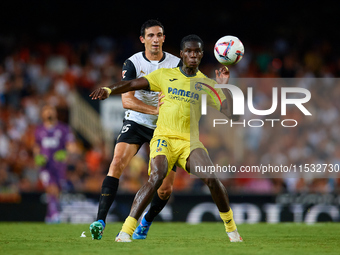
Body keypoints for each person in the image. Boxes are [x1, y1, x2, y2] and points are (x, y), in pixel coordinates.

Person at [90, 34, 243, 242]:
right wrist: (109, 89)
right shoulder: (164, 75)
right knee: (157, 176)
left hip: (189, 142)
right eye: (188, 51)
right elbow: (133, 84)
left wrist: (224, 85)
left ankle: (232, 230)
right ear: (182, 54)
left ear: (201, 55)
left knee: (212, 179)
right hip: (163, 138)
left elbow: (234, 114)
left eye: (197, 51)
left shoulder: (207, 84)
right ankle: (126, 231)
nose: (193, 55)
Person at [89, 20, 181, 240]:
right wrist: (155, 109)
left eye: (159, 35)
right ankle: (100, 221)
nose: (156, 40)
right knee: (117, 161)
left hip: (165, 127)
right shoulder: (133, 62)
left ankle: (146, 221)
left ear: (164, 38)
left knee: (166, 188)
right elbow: (127, 101)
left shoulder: (177, 64)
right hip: (138, 121)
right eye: (150, 36)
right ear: (143, 40)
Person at [34, 105, 75, 223]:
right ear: (42, 114)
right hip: (46, 165)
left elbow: (71, 145)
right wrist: (38, 157)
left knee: (57, 189)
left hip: (59, 166)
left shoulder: (63, 128)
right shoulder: (39, 130)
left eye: (51, 110)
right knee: (51, 188)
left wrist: (65, 153)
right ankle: (55, 214)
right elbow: (36, 146)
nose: (49, 113)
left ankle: (50, 216)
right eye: (46, 111)